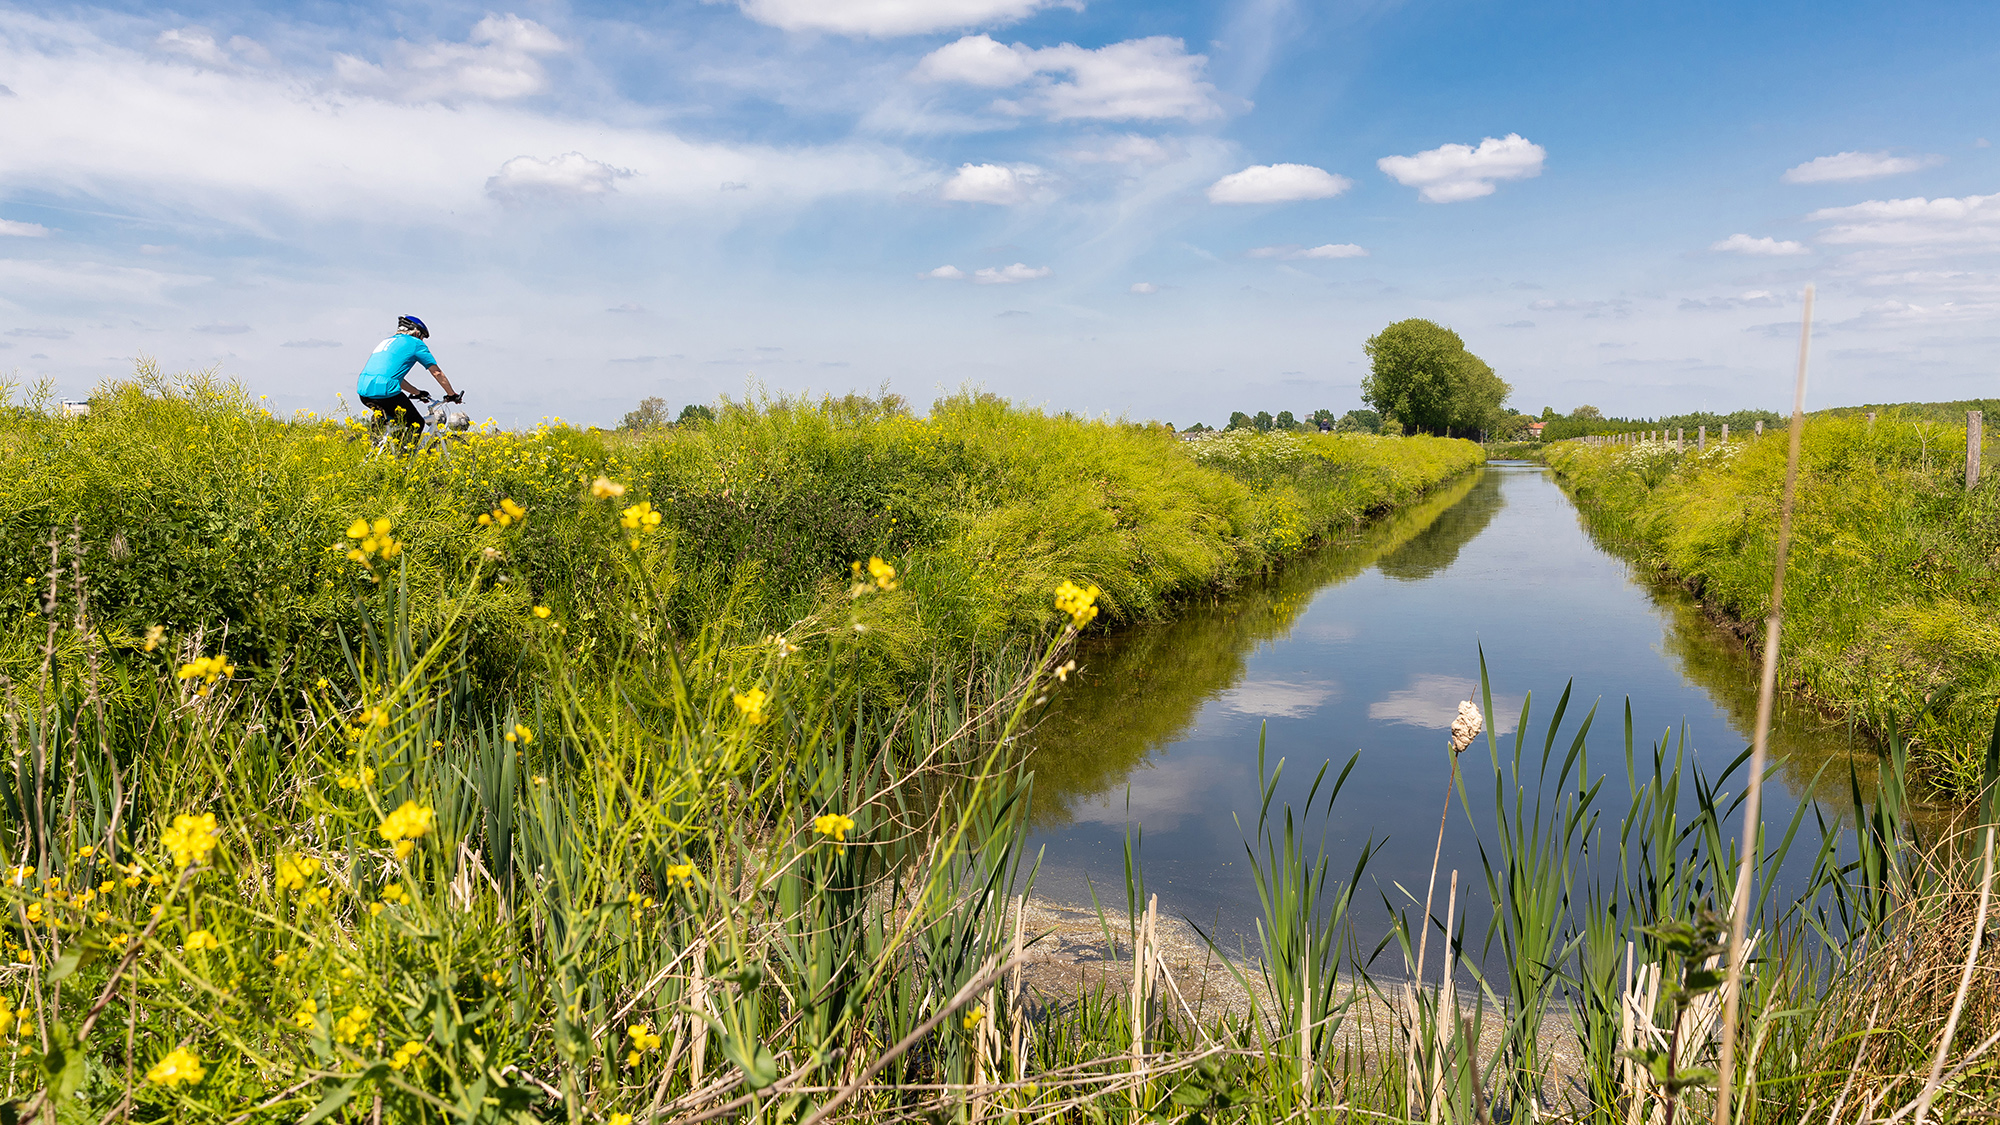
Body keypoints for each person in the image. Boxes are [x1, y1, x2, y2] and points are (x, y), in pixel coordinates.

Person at [356, 315, 456, 436]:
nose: (422, 340)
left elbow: (395, 378)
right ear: (417, 333)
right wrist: (451, 394)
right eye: (423, 337)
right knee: (417, 422)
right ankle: (407, 449)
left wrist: (417, 392)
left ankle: (379, 442)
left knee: (397, 424)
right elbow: (437, 372)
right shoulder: (416, 343)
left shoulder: (387, 342)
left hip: (363, 390)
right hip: (385, 391)